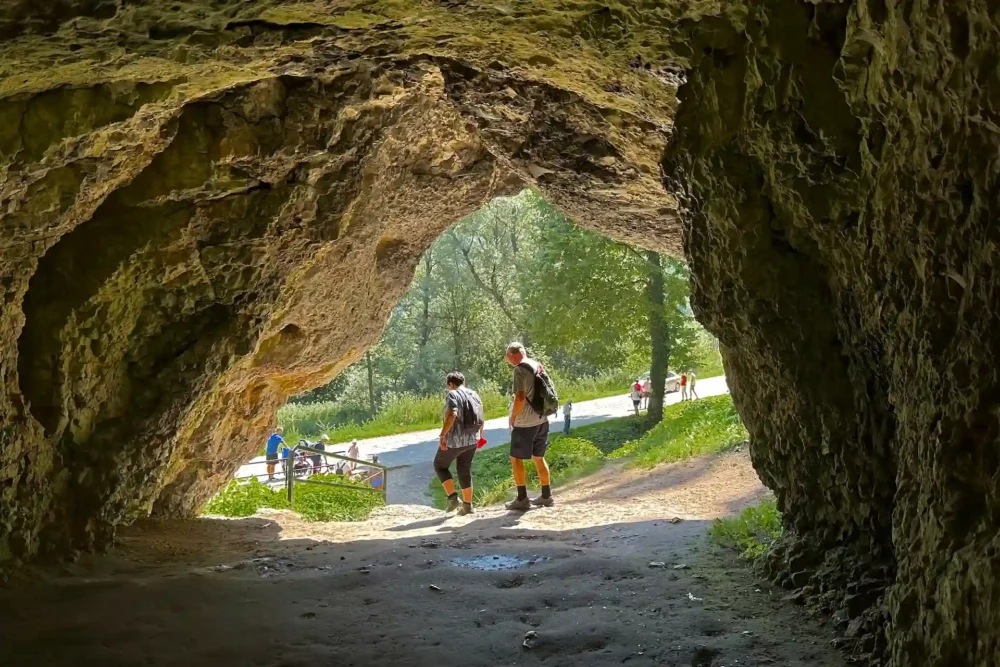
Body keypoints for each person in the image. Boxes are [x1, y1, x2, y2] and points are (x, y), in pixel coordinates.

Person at [504, 342, 554, 510]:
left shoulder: (519, 369)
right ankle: (546, 496)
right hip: (542, 418)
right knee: (538, 458)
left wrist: (513, 417)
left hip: (525, 422)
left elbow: (519, 398)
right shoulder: (537, 364)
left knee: (516, 458)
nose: (508, 361)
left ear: (513, 355)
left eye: (508, 358)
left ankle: (522, 498)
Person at [435, 371, 484, 516]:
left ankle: (453, 498)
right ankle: (467, 506)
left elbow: (452, 414)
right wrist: (480, 435)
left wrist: (443, 435)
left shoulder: (453, 394)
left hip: (455, 440)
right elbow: (481, 416)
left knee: (439, 465)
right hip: (472, 439)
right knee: (464, 469)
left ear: (450, 384)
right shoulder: (474, 394)